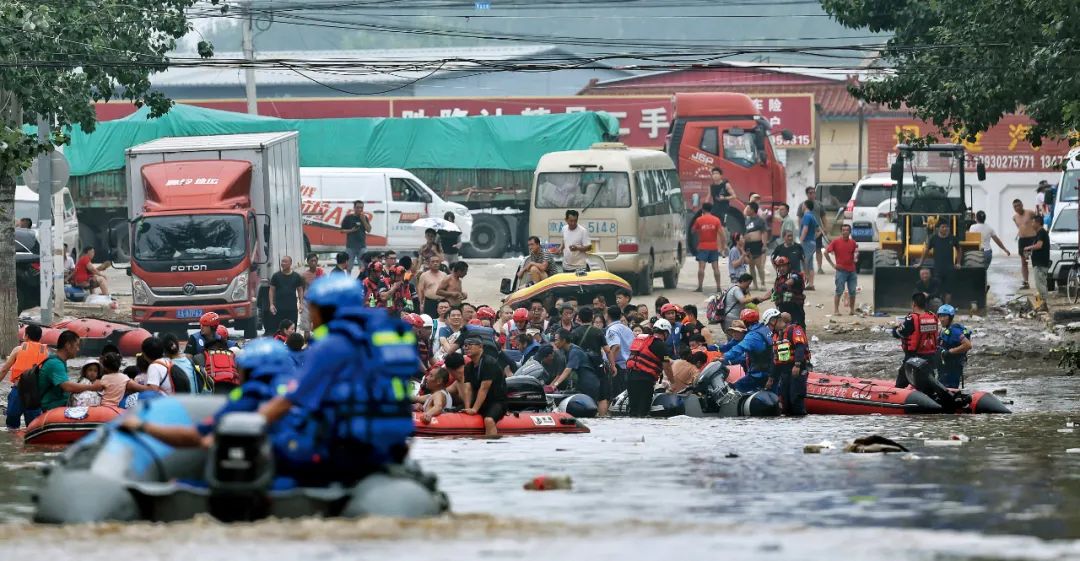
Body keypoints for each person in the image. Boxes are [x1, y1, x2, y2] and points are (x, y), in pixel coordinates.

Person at [257, 275, 417, 482]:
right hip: (394, 442)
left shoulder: (330, 345)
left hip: (348, 447)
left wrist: (254, 420)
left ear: (326, 309)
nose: (311, 315)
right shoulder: (387, 337)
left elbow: (290, 400)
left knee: (281, 455)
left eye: (312, 308)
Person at [34, 331, 102, 418]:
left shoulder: (59, 361)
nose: (78, 349)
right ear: (68, 345)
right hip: (51, 407)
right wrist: (92, 387)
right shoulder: (55, 364)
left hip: (59, 405)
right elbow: (67, 386)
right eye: (77, 345)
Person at [0, 324, 50, 428]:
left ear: (26, 336)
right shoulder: (46, 352)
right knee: (33, 425)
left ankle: (13, 442)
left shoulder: (18, 349)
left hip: (19, 389)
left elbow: (4, 369)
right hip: (35, 393)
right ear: (39, 337)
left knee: (12, 423)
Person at [625, 320, 674, 417]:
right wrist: (673, 382)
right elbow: (667, 366)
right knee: (643, 411)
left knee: (633, 410)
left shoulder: (644, 341)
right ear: (665, 333)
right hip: (644, 380)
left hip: (630, 377)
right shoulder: (661, 345)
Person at [891, 291, 939, 388]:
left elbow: (897, 333)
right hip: (931, 358)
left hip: (913, 358)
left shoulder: (912, 319)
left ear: (913, 304)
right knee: (929, 384)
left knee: (899, 385)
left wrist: (895, 328)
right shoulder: (933, 316)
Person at [462, 337, 507, 437]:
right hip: (480, 402)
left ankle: (490, 449)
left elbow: (484, 389)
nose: (466, 347)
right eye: (465, 345)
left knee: (489, 420)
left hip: (496, 402)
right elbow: (467, 389)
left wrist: (474, 410)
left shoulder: (489, 363)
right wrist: (467, 408)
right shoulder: (468, 366)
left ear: (480, 347)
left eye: (470, 344)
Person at [722, 308, 774, 393]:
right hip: (770, 371)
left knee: (736, 387)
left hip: (759, 374)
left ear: (745, 322)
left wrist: (724, 357)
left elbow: (738, 349)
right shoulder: (764, 329)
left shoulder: (753, 335)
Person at [770, 310, 810, 415]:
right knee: (785, 399)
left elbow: (800, 347)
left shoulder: (794, 330)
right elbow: (776, 359)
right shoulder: (777, 335)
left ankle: (800, 422)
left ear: (780, 321)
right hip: (785, 370)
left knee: (795, 397)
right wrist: (771, 377)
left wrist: (797, 365)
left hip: (797, 368)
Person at [916, 220, 960, 304]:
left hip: (949, 269)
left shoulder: (952, 238)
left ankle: (946, 307)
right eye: (943, 227)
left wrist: (958, 263)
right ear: (938, 228)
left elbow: (959, 249)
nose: (945, 229)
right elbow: (926, 250)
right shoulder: (934, 238)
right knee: (937, 289)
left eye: (946, 227)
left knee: (948, 290)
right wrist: (920, 263)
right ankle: (935, 306)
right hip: (938, 269)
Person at [763, 256, 806, 328]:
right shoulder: (779, 279)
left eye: (784, 266)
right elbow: (774, 290)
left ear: (788, 266)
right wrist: (761, 299)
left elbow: (792, 280)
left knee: (798, 329)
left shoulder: (795, 275)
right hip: (782, 309)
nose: (781, 268)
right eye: (779, 266)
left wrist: (785, 285)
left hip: (795, 309)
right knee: (783, 330)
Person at [826, 224, 859, 316]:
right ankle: (836, 310)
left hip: (852, 270)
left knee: (852, 291)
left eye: (847, 230)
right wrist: (833, 265)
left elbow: (855, 255)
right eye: (843, 230)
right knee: (839, 290)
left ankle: (852, 310)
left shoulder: (853, 243)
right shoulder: (836, 242)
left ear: (850, 232)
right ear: (841, 231)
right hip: (841, 271)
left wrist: (855, 261)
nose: (845, 232)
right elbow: (826, 252)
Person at [692, 202, 725, 292]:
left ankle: (700, 287)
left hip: (703, 246)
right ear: (711, 210)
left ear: (703, 209)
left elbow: (692, 231)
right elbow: (722, 234)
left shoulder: (699, 220)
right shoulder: (716, 220)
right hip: (713, 247)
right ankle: (718, 287)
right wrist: (723, 246)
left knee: (701, 268)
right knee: (716, 268)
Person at [936, 304, 972, 389]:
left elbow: (968, 345)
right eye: (940, 316)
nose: (941, 319)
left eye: (944, 316)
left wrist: (950, 352)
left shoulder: (955, 331)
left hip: (952, 367)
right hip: (945, 367)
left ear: (950, 317)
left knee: (949, 388)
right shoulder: (946, 330)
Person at [269, 256, 305, 332]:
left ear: (290, 263)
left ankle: (291, 343)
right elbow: (271, 290)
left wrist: (301, 303)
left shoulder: (296, 276)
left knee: (291, 329)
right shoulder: (276, 276)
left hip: (292, 308)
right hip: (279, 309)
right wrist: (271, 304)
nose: (283, 263)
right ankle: (280, 343)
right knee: (279, 330)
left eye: (285, 262)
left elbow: (300, 290)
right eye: (282, 261)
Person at [604, 305, 633, 398]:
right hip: (629, 366)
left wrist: (612, 365)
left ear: (607, 316)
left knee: (618, 397)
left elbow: (616, 346)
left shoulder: (612, 330)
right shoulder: (627, 329)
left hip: (619, 368)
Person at [1013, 199, 1040, 290]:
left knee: (1035, 260)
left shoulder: (1030, 213)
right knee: (1024, 261)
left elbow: (1038, 220)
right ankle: (1026, 282)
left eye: (1018, 205)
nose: (1017, 208)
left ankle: (1039, 281)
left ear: (1022, 205)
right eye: (1015, 206)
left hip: (1032, 239)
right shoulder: (1015, 217)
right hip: (1022, 240)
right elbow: (1020, 227)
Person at [1026, 219, 1051, 311]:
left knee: (1040, 284)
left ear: (1038, 223)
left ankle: (1043, 304)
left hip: (1040, 263)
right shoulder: (1039, 233)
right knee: (1040, 283)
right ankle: (1041, 304)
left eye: (1033, 222)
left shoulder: (1041, 232)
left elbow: (1039, 245)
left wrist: (1028, 247)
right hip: (1038, 262)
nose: (1031, 224)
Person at [341, 200, 371, 274]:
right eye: (358, 207)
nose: (360, 209)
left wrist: (363, 220)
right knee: (348, 267)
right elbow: (342, 230)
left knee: (364, 266)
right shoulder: (348, 218)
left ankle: (363, 281)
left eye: (361, 208)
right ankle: (348, 282)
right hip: (350, 246)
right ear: (354, 208)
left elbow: (369, 230)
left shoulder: (365, 217)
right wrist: (351, 230)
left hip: (362, 246)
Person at [743, 202, 768, 290]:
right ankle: (755, 284)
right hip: (748, 245)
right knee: (751, 266)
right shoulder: (746, 220)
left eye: (748, 208)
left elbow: (764, 232)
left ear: (753, 210)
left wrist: (764, 245)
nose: (747, 210)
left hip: (757, 244)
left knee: (759, 265)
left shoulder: (760, 220)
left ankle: (763, 283)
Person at [799, 200, 821, 290]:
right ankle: (811, 284)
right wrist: (814, 237)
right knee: (810, 264)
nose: (801, 206)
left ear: (805, 206)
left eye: (803, 204)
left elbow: (805, 229)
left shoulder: (806, 216)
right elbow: (819, 230)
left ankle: (803, 283)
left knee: (803, 263)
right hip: (812, 242)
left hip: (806, 242)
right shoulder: (812, 216)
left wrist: (801, 240)